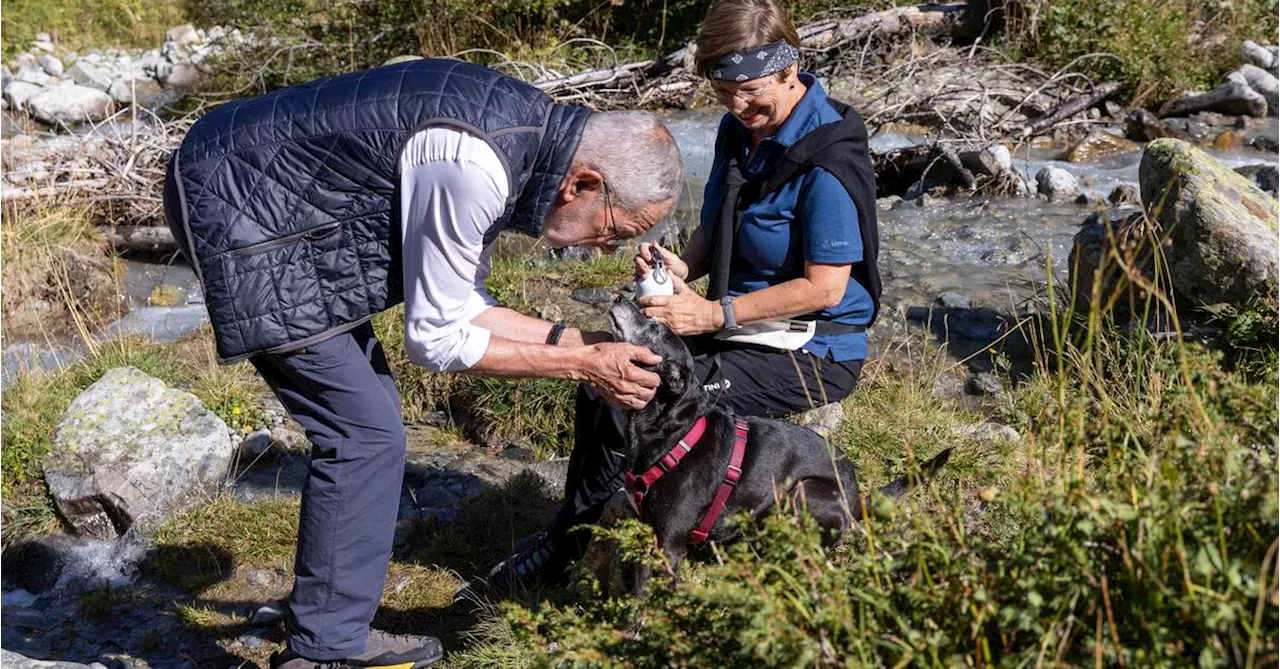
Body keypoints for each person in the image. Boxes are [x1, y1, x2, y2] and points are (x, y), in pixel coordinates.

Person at [162, 57, 684, 669]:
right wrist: (584, 366)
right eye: (619, 230)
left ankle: (328, 626)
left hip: (281, 206)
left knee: (371, 426)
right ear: (585, 185)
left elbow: (463, 302)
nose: (611, 247)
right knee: (363, 433)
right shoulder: (476, 165)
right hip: (243, 208)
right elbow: (435, 339)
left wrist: (576, 339)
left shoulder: (524, 145)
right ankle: (322, 652)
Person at [489, 0, 881, 588]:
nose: (737, 107)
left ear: (788, 68)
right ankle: (588, 532)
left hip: (809, 352)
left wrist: (711, 312)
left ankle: (587, 542)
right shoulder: (740, 132)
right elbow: (719, 221)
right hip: (741, 329)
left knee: (638, 390)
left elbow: (827, 288)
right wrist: (685, 267)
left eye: (748, 91)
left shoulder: (825, 162)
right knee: (607, 377)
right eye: (724, 93)